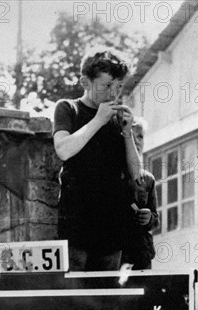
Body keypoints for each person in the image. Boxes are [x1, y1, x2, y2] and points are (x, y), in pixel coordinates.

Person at [53, 49, 141, 271]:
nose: (113, 94)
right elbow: (63, 150)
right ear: (85, 82)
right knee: (74, 297)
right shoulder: (68, 108)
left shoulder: (116, 119)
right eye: (106, 86)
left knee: (105, 298)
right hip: (77, 225)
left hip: (112, 226)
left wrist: (127, 133)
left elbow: (136, 173)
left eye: (119, 87)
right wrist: (99, 120)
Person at [121, 118, 159, 270]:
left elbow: (156, 220)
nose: (136, 140)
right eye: (131, 135)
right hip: (116, 252)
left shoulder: (148, 179)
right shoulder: (110, 176)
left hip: (141, 253)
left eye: (140, 136)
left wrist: (149, 217)